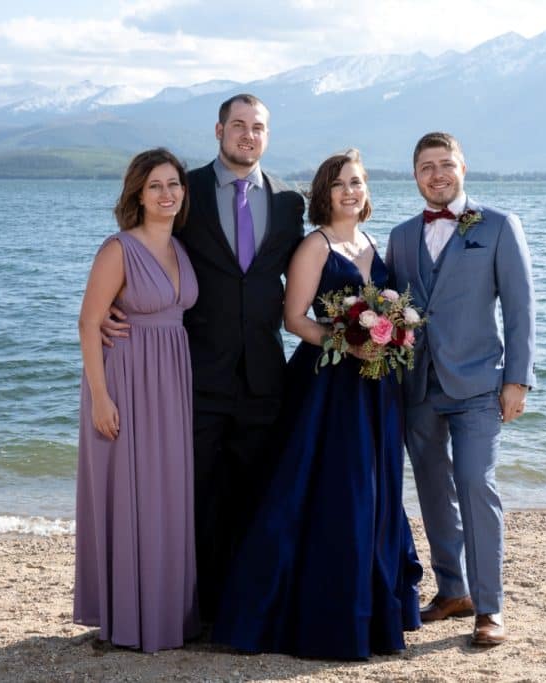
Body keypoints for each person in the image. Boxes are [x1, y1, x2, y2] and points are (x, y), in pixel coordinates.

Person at [102, 94, 305, 623]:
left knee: (256, 496)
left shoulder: (289, 203)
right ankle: (200, 611)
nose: (248, 135)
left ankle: (249, 610)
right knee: (197, 498)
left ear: (268, 134)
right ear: (218, 131)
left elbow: (306, 277)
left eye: (257, 127)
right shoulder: (183, 188)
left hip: (264, 375)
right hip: (192, 374)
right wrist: (107, 311)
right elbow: (141, 250)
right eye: (238, 125)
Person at [212, 150, 422, 660]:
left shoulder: (375, 240)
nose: (350, 191)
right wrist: (347, 342)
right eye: (339, 184)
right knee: (333, 492)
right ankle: (321, 610)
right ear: (323, 194)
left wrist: (394, 335)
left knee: (375, 491)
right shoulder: (316, 245)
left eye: (357, 182)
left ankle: (373, 605)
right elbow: (294, 318)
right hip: (329, 387)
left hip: (376, 388)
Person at [385, 132, 536, 646]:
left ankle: (490, 607)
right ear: (415, 176)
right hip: (418, 385)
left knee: (475, 483)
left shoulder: (497, 226)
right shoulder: (402, 236)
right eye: (426, 167)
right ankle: (453, 590)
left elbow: (520, 310)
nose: (437, 174)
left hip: (477, 385)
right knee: (432, 492)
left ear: (463, 168)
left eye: (445, 164)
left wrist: (518, 380)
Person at [74, 148, 199, 652]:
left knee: (166, 492)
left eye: (174, 184)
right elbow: (88, 322)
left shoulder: (182, 249)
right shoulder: (118, 249)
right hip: (125, 380)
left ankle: (167, 614)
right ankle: (127, 617)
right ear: (137, 195)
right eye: (155, 186)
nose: (167, 194)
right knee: (129, 492)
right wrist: (100, 399)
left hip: (170, 380)